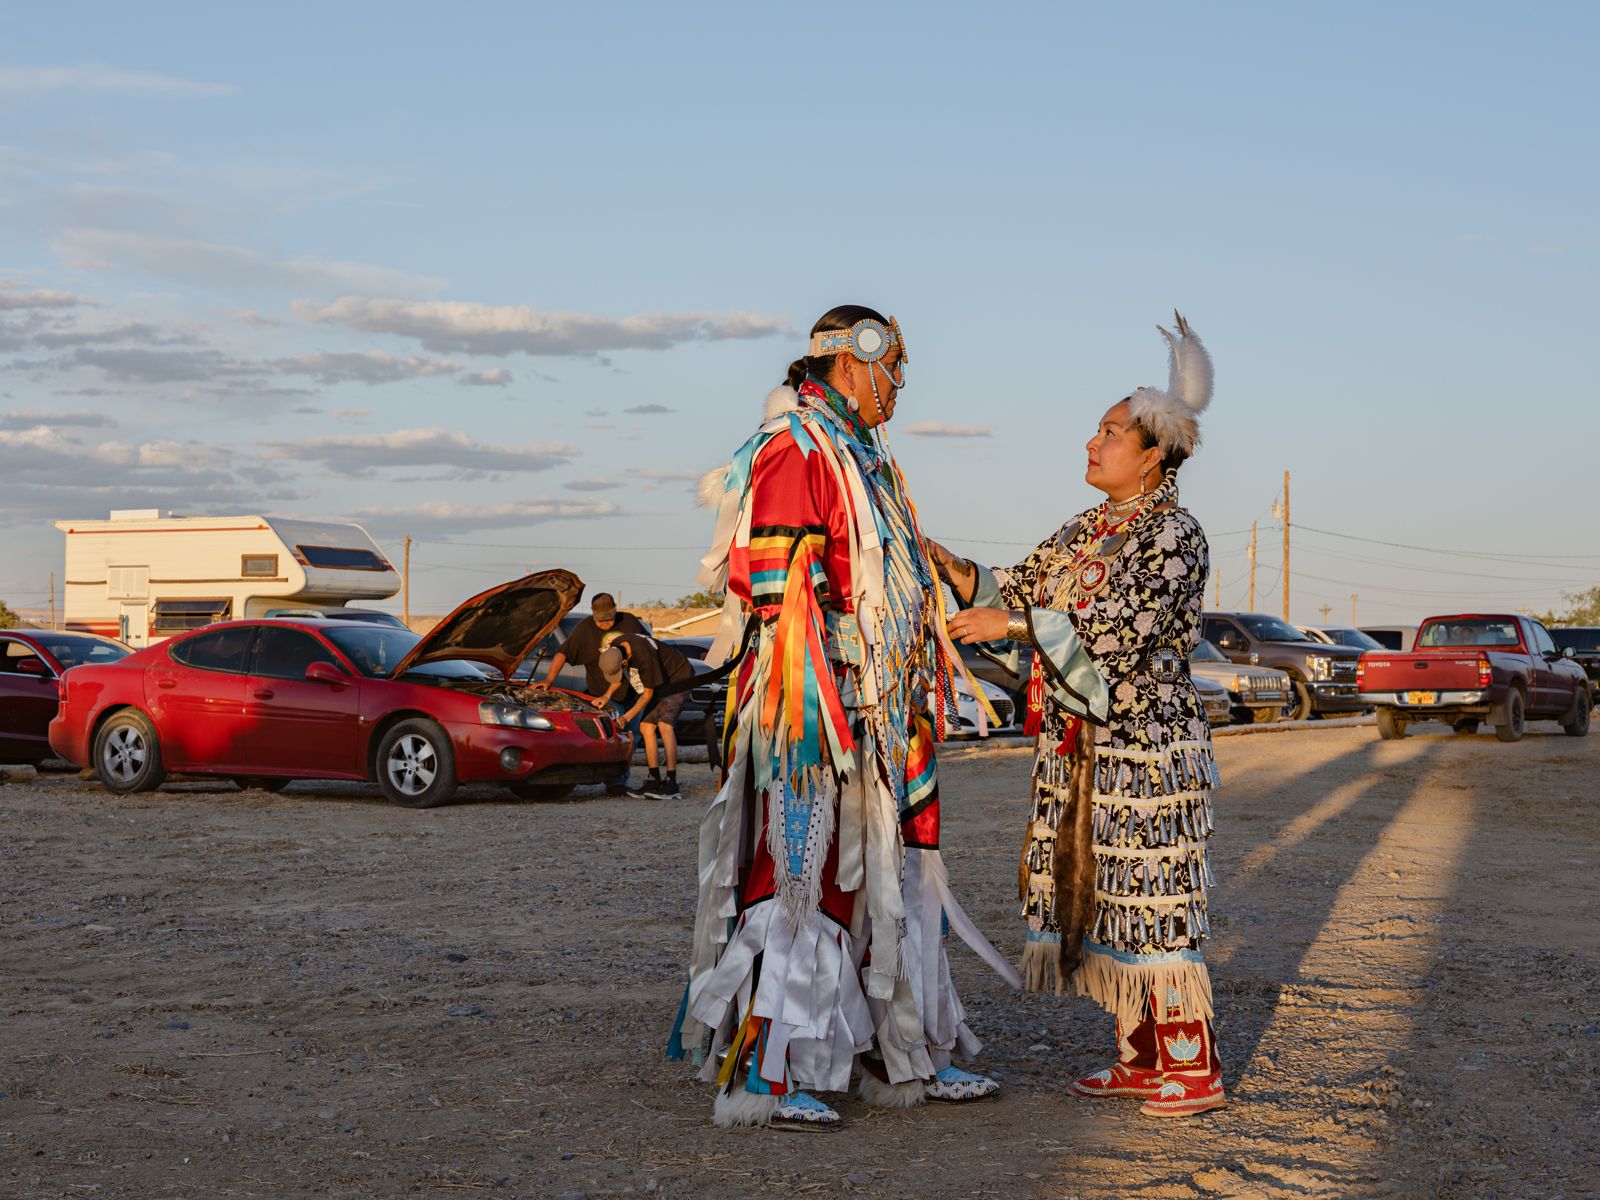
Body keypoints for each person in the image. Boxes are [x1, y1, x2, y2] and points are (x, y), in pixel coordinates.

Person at [668, 305, 1018, 1130]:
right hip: (815, 707)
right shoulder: (797, 449)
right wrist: (823, 698)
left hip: (886, 708)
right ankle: (765, 1071)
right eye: (895, 370)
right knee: (800, 871)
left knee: (900, 875)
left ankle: (900, 1054)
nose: (899, 388)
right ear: (857, 358)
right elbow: (775, 589)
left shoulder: (867, 458)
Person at [935, 312, 1226, 1118]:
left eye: (1108, 434)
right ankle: (1139, 1057)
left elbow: (1120, 629)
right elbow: (1017, 587)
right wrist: (949, 565)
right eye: (1096, 432)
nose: (1091, 444)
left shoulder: (1174, 535)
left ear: (1153, 453)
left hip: (1146, 750)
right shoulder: (1085, 531)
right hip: (1079, 747)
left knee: (1154, 896)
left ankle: (1193, 1066)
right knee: (1100, 896)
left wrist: (1012, 625)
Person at [543, 593, 647, 795]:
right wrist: (548, 680)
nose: (606, 623)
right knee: (615, 735)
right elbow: (563, 653)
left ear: (615, 610)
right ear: (593, 614)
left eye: (609, 618)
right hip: (604, 696)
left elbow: (648, 646)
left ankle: (619, 780)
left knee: (632, 737)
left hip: (635, 693)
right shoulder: (584, 629)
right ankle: (614, 781)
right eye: (601, 620)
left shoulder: (630, 621)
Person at [596, 632, 694, 799]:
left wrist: (626, 717)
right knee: (646, 726)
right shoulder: (617, 646)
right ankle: (653, 779)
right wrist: (606, 696)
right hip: (661, 681)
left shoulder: (644, 658)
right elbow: (619, 677)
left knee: (665, 725)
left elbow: (647, 696)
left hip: (679, 677)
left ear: (625, 661)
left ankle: (671, 783)